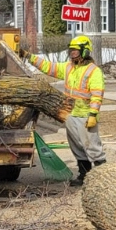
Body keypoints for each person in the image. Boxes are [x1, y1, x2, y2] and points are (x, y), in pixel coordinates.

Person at [20, 36, 105, 186]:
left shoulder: (93, 71)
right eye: (71, 51)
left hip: (85, 115)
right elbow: (48, 66)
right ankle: (84, 176)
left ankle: (104, 177)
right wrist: (28, 56)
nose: (72, 53)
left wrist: (93, 114)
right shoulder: (68, 68)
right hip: (70, 114)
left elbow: (97, 94)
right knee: (77, 147)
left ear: (85, 51)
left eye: (75, 51)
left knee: (92, 146)